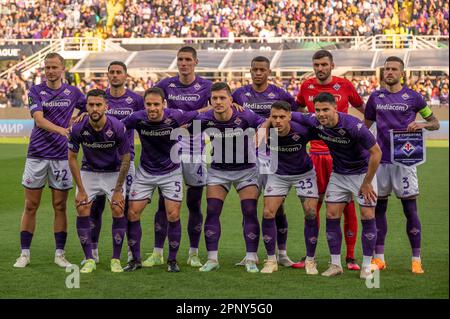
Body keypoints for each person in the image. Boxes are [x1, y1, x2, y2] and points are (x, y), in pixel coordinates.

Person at [292, 92, 382, 279]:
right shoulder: (314, 120)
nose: (321, 114)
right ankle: (335, 264)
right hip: (339, 174)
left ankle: (366, 265)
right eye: (317, 110)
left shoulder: (353, 125)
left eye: (326, 109)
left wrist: (367, 182)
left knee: (367, 215)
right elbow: (288, 114)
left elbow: (376, 153)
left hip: (362, 174)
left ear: (336, 108)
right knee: (331, 214)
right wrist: (266, 122)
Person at [364, 56, 440, 274]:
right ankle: (379, 258)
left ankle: (416, 259)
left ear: (402, 72)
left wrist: (422, 124)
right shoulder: (375, 97)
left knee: (410, 209)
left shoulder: (414, 97)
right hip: (380, 162)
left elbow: (434, 123)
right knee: (379, 209)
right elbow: (365, 126)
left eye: (393, 69)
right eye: (386, 69)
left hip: (405, 160)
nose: (389, 72)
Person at [293, 50, 365, 270]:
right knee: (312, 206)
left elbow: (364, 111)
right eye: (316, 64)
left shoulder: (345, 85)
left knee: (347, 206)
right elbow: (298, 111)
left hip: (340, 155)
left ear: (332, 65)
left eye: (324, 64)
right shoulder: (306, 86)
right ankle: (310, 257)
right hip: (314, 154)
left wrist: (360, 136)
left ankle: (350, 257)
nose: (320, 68)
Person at [14, 52, 85, 268]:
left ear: (63, 68)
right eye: (47, 68)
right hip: (37, 154)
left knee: (60, 206)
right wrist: (64, 130)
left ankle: (59, 254)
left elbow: (87, 105)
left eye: (54, 67)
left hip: (62, 157)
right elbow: (39, 119)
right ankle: (24, 254)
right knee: (31, 205)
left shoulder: (73, 92)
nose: (50, 71)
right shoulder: (36, 90)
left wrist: (79, 115)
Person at [146, 46, 212, 268]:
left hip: (195, 150)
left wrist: (188, 116)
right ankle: (157, 252)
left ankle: (193, 253)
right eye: (180, 59)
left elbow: (219, 106)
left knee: (194, 204)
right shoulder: (165, 85)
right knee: (163, 204)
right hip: (170, 149)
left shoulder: (206, 86)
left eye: (187, 59)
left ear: (195, 62)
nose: (183, 63)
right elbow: (148, 105)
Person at [121, 87, 201, 272]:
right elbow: (116, 126)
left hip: (170, 172)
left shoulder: (175, 116)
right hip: (145, 173)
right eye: (148, 104)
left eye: (156, 104)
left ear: (164, 104)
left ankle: (172, 261)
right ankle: (135, 260)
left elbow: (199, 114)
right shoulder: (137, 117)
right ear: (144, 105)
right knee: (132, 213)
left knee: (173, 214)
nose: (152, 108)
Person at [232, 56, 299, 267]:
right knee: (249, 207)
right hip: (248, 159)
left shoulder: (280, 94)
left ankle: (282, 254)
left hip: (274, 159)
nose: (258, 73)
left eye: (262, 69)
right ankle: (250, 254)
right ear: (250, 71)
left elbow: (294, 114)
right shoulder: (239, 94)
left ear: (269, 71)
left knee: (277, 208)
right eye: (254, 69)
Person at [196, 82, 266, 273]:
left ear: (231, 100)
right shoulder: (206, 117)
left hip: (247, 169)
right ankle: (212, 259)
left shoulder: (244, 114)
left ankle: (251, 258)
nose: (218, 102)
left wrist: (261, 132)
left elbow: (263, 121)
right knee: (212, 210)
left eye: (222, 98)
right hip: (219, 170)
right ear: (210, 100)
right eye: (215, 98)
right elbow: (186, 122)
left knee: (249, 210)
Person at [83, 61, 144, 264]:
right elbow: (83, 115)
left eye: (119, 72)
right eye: (112, 72)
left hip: (125, 162)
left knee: (124, 208)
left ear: (126, 76)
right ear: (107, 75)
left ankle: (128, 250)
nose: (115, 75)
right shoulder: (98, 99)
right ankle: (93, 251)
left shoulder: (136, 100)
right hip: (97, 162)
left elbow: (146, 122)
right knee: (95, 208)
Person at [68, 89, 131, 273]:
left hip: (113, 172)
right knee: (81, 206)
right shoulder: (78, 128)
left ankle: (116, 259)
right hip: (90, 171)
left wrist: (118, 189)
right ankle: (89, 259)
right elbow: (72, 157)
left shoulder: (117, 126)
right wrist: (80, 189)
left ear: (106, 107)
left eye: (98, 105)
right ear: (86, 107)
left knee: (118, 208)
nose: (94, 108)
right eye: (91, 105)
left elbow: (126, 158)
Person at [259, 101, 319, 275]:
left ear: (290, 117)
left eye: (282, 117)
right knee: (268, 212)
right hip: (278, 174)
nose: (278, 120)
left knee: (311, 213)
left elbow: (326, 134)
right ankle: (271, 260)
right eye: (274, 117)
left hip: (304, 174)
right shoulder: (267, 131)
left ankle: (310, 260)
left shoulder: (302, 130)